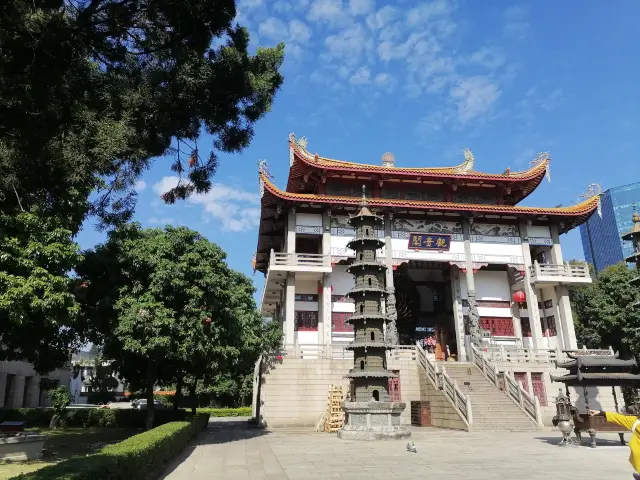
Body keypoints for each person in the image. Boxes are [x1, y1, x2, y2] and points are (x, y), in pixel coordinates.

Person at [589, 409, 640, 479]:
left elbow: (618, 417)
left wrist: (601, 412)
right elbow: (618, 417)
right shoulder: (635, 422)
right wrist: (601, 412)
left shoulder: (635, 422)